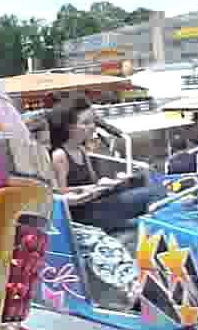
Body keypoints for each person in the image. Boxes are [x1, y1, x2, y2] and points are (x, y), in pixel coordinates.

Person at [49, 97, 164, 230]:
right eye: (85, 123)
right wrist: (92, 189)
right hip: (84, 213)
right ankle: (152, 227)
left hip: (95, 202)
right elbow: (61, 195)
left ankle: (147, 223)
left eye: (93, 122)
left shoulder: (81, 150)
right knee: (155, 193)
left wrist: (109, 182)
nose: (92, 127)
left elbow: (93, 182)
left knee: (143, 178)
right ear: (69, 127)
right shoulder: (60, 155)